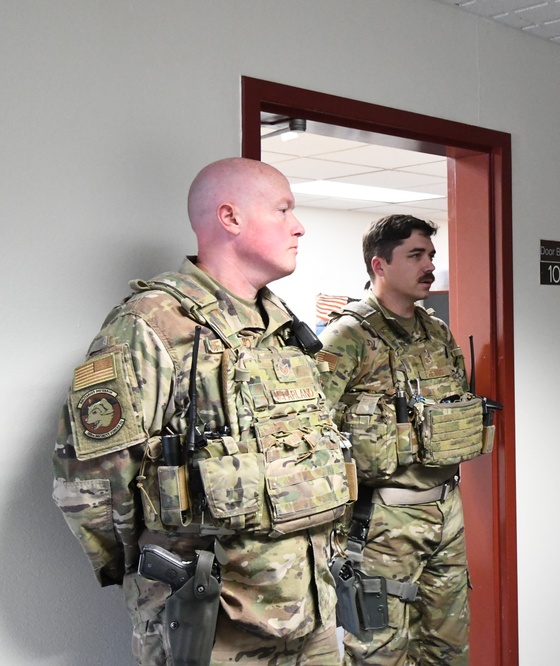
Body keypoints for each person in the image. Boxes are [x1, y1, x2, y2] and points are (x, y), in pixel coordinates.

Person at [52, 158, 353, 665]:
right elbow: (90, 480)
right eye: (283, 210)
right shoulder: (151, 326)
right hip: (213, 624)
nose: (298, 226)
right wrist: (148, 569)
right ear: (230, 218)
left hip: (311, 615)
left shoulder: (284, 327)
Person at [317, 214, 494, 665]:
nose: (429, 265)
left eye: (431, 255)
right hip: (381, 523)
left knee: (449, 647)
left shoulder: (436, 333)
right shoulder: (348, 336)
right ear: (379, 264)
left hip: (445, 512)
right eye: (416, 255)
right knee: (380, 652)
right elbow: (311, 432)